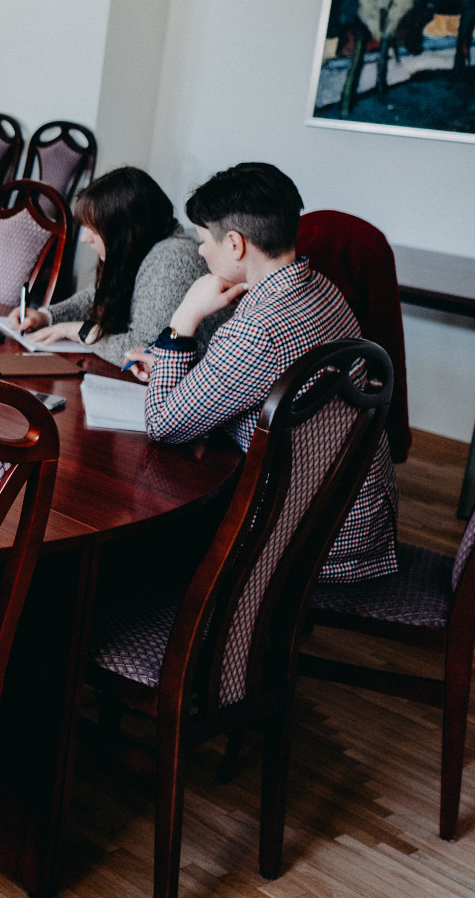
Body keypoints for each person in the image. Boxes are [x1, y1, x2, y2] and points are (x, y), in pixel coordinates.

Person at [126, 162, 398, 583]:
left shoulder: (259, 329)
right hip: (351, 517)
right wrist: (179, 368)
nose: (200, 252)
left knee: (141, 538)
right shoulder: (323, 288)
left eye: (204, 241)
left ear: (235, 244)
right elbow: (252, 379)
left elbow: (163, 425)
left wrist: (184, 318)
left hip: (301, 548)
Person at [11, 166, 216, 364]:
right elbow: (93, 297)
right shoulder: (142, 249)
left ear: (125, 231)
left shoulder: (172, 259)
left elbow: (144, 351)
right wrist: (46, 316)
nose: (84, 238)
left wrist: (81, 331)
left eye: (94, 228)